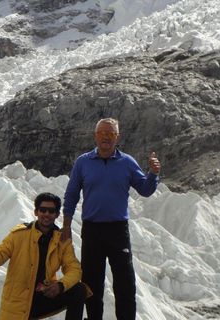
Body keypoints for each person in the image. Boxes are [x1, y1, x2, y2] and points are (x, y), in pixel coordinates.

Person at [61, 118, 161, 320]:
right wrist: (66, 225)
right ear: (95, 136)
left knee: (125, 283)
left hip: (118, 231)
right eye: (102, 133)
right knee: (92, 284)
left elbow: (145, 190)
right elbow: (71, 194)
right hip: (92, 230)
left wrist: (153, 173)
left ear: (118, 138)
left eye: (111, 134)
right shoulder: (83, 162)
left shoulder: (127, 163)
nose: (106, 138)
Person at [0, 192, 90, 320]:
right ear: (36, 212)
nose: (47, 214)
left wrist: (60, 285)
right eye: (43, 210)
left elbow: (74, 269)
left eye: (51, 211)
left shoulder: (62, 241)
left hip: (42, 297)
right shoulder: (19, 235)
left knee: (79, 290)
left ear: (57, 214)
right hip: (19, 301)